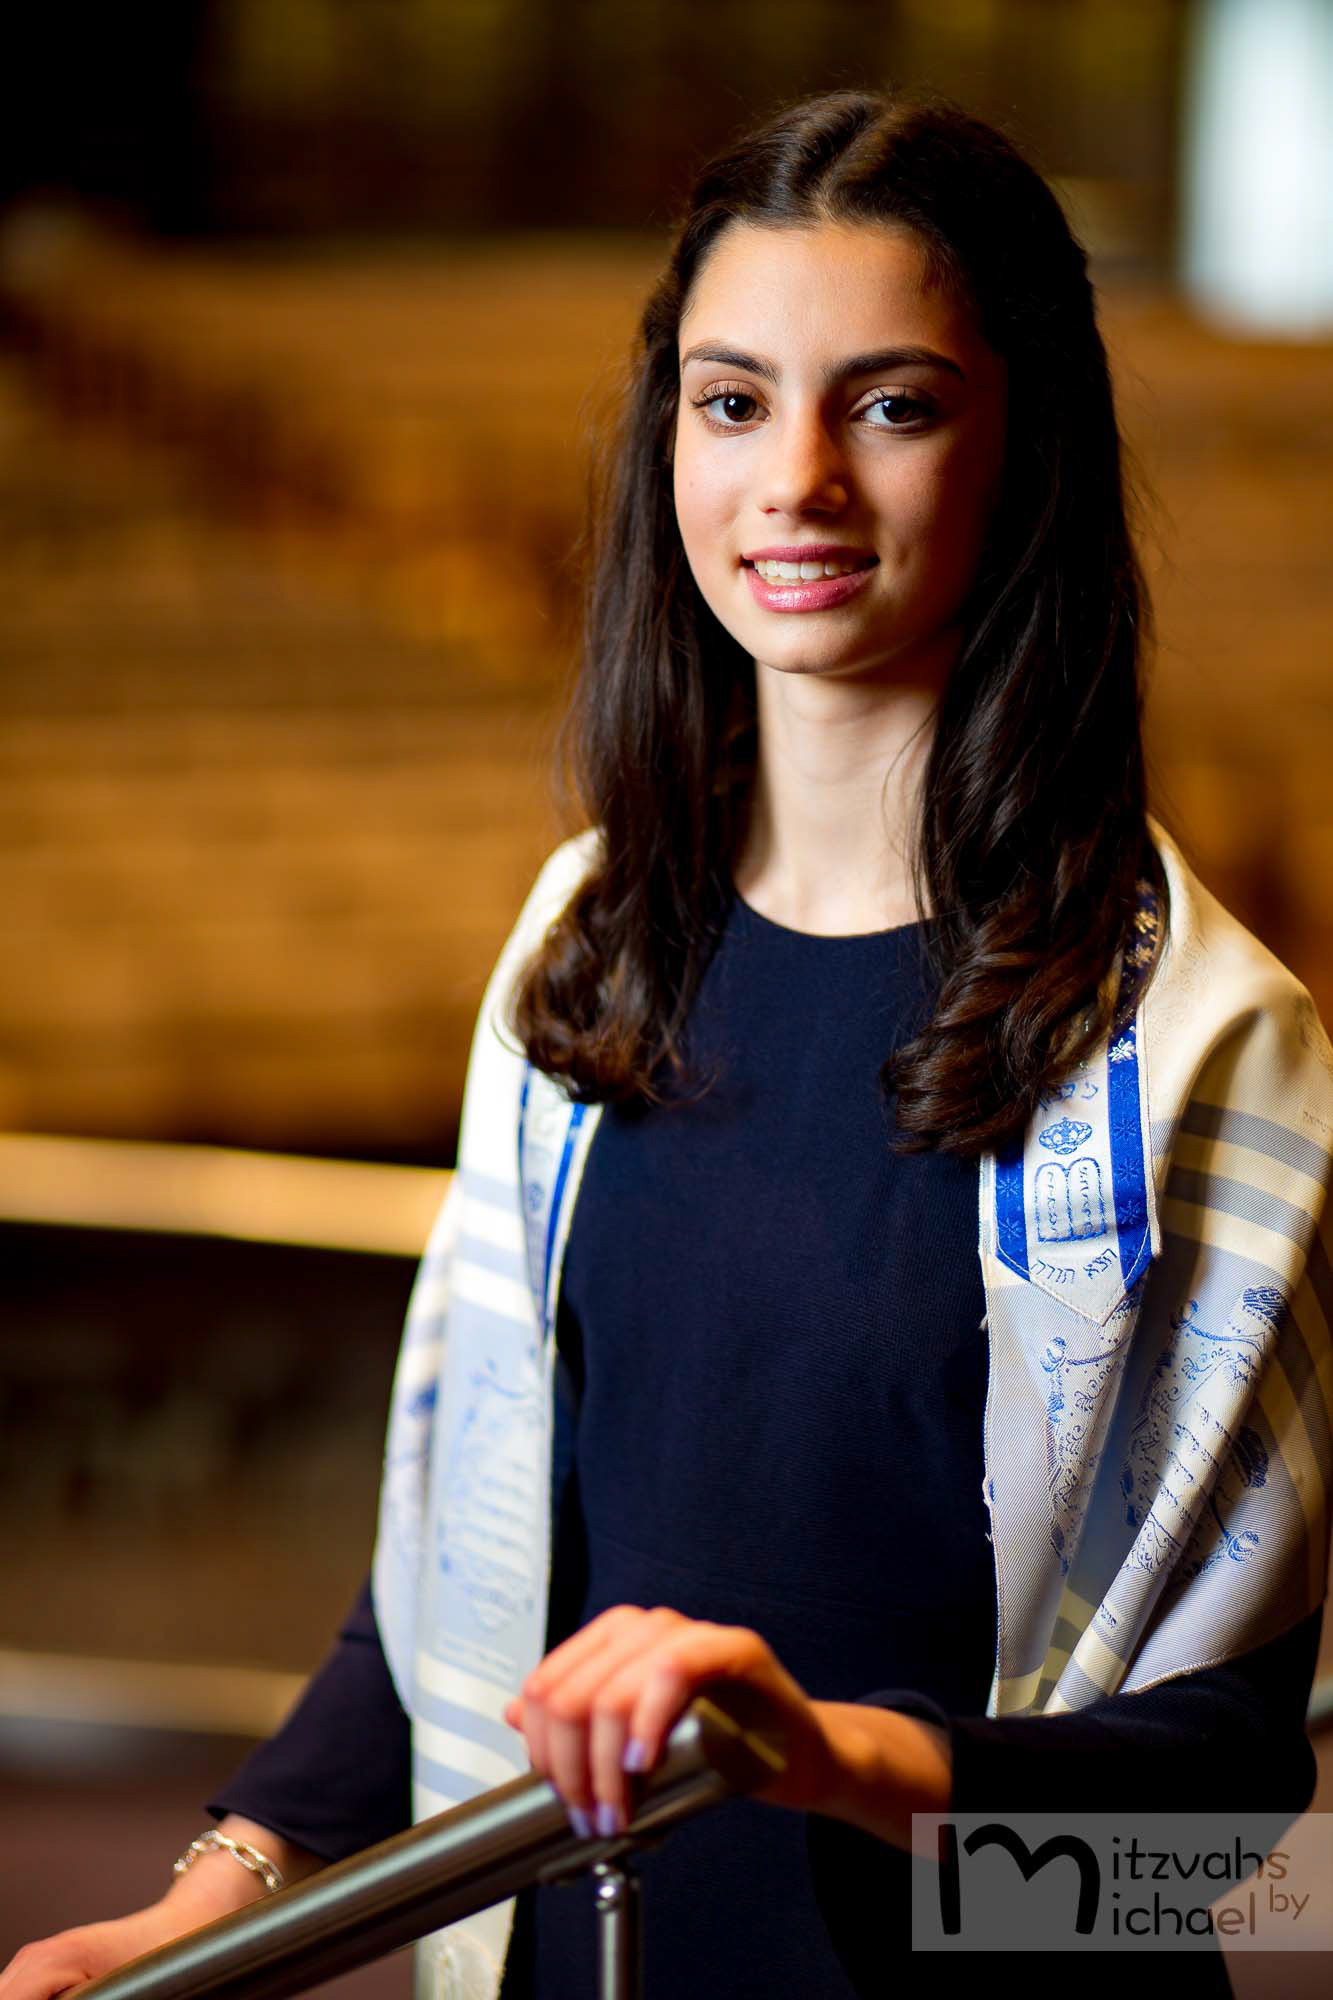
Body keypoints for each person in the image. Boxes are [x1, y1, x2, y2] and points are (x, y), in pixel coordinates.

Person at [4, 87, 1330, 2000]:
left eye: (889, 403)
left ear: (1022, 446)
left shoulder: (1203, 1053)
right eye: (731, 401)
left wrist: (822, 1761)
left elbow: (1211, 1866)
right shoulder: (585, 942)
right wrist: (226, 1884)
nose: (792, 479)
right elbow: (457, 1562)